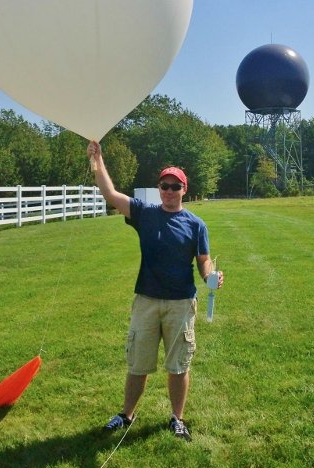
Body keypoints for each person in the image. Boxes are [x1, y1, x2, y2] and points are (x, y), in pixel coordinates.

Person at [87, 140, 223, 441]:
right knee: (138, 364)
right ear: (159, 187)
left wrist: (211, 276)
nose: (169, 190)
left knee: (178, 366)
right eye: (164, 185)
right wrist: (98, 161)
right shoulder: (145, 214)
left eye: (175, 186)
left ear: (184, 190)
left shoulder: (196, 224)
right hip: (146, 301)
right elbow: (110, 194)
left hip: (181, 304)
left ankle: (177, 419)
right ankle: (126, 415)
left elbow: (203, 262)